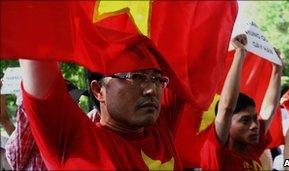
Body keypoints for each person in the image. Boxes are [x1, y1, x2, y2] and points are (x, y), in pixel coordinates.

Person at [18, 34, 188, 169]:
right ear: (98, 90)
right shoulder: (74, 142)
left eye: (157, 79)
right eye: (136, 77)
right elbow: (35, 36)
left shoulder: (161, 126)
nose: (151, 89)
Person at [200, 34, 282, 170]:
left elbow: (269, 109)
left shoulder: (251, 150)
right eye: (245, 120)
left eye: (255, 119)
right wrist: (240, 54)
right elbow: (226, 108)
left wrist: (277, 70)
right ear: (225, 124)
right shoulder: (219, 155)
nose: (255, 126)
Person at [3, 79, 91, 170]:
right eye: (70, 103)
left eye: (77, 102)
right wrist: (29, 99)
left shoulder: (79, 133)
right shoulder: (35, 136)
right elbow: (15, 159)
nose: (77, 108)